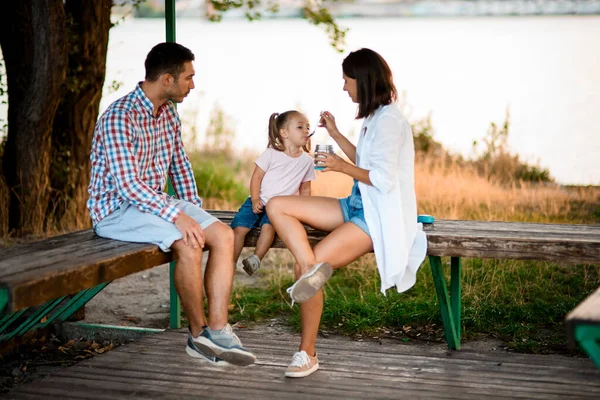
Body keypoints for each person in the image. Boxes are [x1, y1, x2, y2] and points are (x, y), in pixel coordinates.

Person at [87, 42, 256, 367]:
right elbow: (127, 186)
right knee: (187, 242)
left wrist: (195, 212)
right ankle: (198, 336)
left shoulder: (167, 115)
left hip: (152, 204)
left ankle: (219, 330)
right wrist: (178, 218)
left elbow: (180, 168)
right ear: (167, 79)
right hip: (115, 211)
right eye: (188, 78)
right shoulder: (119, 117)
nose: (193, 85)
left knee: (221, 235)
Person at [267, 48, 427, 378]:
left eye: (346, 80)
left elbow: (383, 179)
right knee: (278, 205)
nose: (344, 87)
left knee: (306, 270)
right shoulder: (375, 117)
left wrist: (340, 166)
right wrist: (336, 134)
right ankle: (308, 265)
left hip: (375, 216)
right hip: (355, 203)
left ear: (362, 80)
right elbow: (367, 163)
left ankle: (306, 353)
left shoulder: (390, 122)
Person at [231, 111, 316, 276]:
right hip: (258, 199)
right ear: (284, 133)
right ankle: (230, 262)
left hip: (280, 208)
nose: (306, 130)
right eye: (300, 127)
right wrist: (255, 199)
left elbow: (305, 188)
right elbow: (256, 177)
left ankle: (256, 259)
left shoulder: (307, 161)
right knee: (239, 229)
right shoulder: (271, 153)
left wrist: (304, 211)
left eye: (308, 127)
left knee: (268, 228)